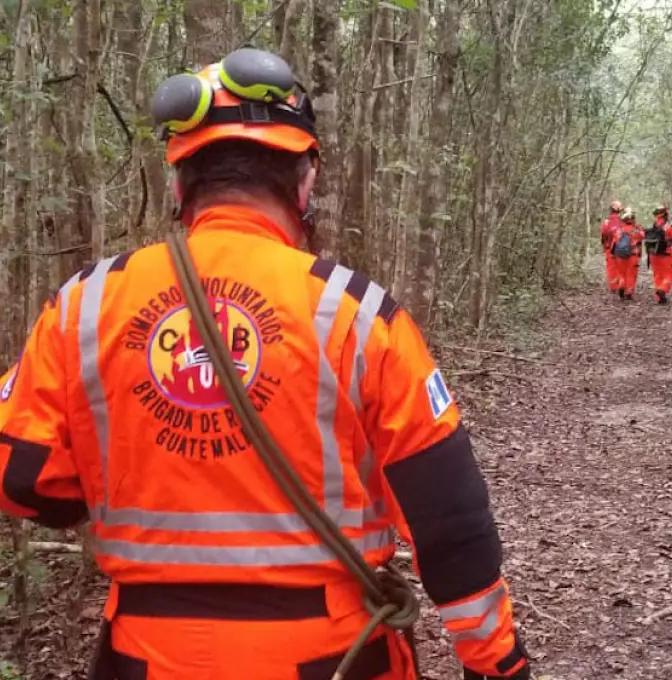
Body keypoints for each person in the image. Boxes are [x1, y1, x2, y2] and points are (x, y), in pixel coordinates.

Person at [0, 48, 531, 680]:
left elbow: (24, 481)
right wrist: (496, 661)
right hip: (334, 654)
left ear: (177, 185)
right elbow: (450, 522)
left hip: (147, 656)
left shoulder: (85, 306)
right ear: (305, 183)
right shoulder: (356, 314)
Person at [643, 205, 672, 305]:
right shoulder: (669, 226)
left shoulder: (652, 226)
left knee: (657, 275)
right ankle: (662, 289)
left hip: (653, 255)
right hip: (666, 255)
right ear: (665, 214)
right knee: (670, 274)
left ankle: (659, 298)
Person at [611, 208, 643, 301]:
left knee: (622, 274)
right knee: (631, 274)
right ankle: (628, 292)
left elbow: (615, 242)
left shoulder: (619, 230)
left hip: (620, 256)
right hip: (632, 255)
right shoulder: (636, 230)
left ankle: (621, 286)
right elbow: (642, 236)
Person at [600, 199, 623, 295]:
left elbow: (603, 235)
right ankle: (621, 285)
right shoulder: (622, 221)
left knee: (611, 268)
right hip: (620, 248)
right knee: (620, 267)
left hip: (609, 248)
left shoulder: (606, 222)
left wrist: (604, 246)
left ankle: (614, 287)